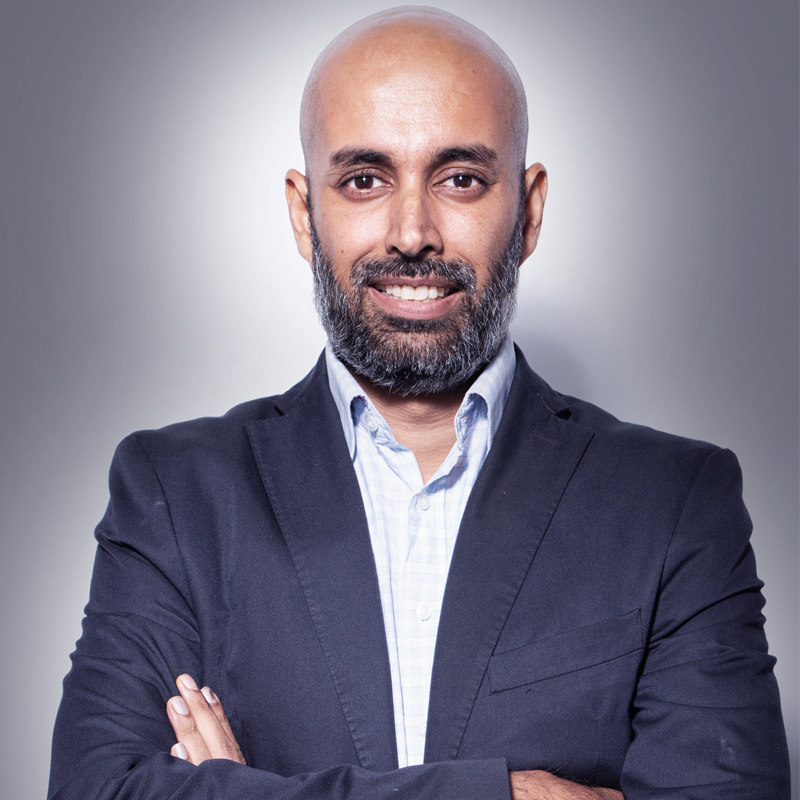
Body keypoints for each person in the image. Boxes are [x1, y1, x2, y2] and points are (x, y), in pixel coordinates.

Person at [48, 6, 790, 799]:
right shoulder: (175, 493)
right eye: (364, 180)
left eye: (459, 178)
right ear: (304, 213)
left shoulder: (674, 502)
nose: (411, 233)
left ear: (529, 210)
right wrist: (498, 794)